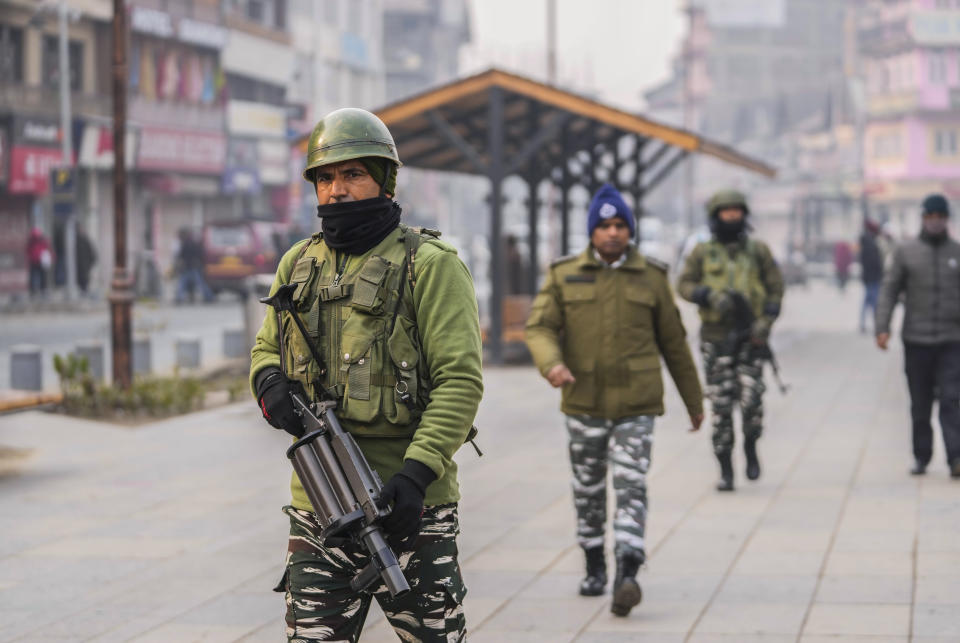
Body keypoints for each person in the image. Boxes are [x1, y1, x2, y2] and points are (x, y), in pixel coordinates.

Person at [249, 108, 483, 641]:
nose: (337, 190)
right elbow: (266, 349)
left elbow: (460, 380)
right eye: (326, 177)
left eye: (353, 174)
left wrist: (416, 476)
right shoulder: (297, 264)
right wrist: (269, 387)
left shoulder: (431, 264)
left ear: (384, 179)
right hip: (320, 505)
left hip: (410, 506)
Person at [525, 183, 704, 617]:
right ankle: (592, 563)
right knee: (587, 488)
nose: (612, 233)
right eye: (604, 225)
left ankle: (627, 569)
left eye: (620, 225)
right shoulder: (564, 274)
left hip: (636, 404)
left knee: (630, 483)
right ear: (592, 231)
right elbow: (540, 327)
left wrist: (694, 402)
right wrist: (552, 365)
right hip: (582, 401)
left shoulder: (653, 278)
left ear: (630, 230)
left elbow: (675, 345)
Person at [677, 189, 784, 492]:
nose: (732, 217)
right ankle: (725, 468)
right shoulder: (702, 252)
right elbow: (682, 284)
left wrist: (766, 322)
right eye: (726, 212)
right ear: (716, 216)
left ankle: (751, 445)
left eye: (737, 211)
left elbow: (776, 289)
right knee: (721, 408)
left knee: (752, 404)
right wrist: (708, 296)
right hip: (716, 340)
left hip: (751, 339)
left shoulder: (758, 251)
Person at [875, 194, 960, 478]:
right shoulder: (906, 252)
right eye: (930, 217)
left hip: (952, 340)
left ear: (947, 219)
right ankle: (921, 455)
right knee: (920, 402)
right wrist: (882, 327)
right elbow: (889, 290)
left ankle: (956, 457)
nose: (935, 222)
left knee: (952, 398)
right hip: (917, 340)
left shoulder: (956, 253)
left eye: (940, 217)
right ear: (923, 219)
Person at [173, 228, 214, 304]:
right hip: (194, 267)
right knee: (200, 283)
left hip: (188, 267)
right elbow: (200, 254)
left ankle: (179, 298)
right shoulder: (194, 243)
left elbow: (181, 255)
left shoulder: (185, 244)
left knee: (182, 283)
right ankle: (209, 297)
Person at [859, 219, 884, 334]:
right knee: (873, 302)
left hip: (869, 277)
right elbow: (874, 262)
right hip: (873, 277)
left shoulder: (866, 243)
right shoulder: (871, 244)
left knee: (867, 301)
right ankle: (875, 324)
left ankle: (863, 323)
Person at [26, 227, 53, 297]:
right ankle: (36, 291)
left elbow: (48, 249)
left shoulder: (38, 241)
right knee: (36, 276)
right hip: (35, 261)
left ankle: (41, 290)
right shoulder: (34, 241)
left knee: (41, 276)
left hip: (40, 261)